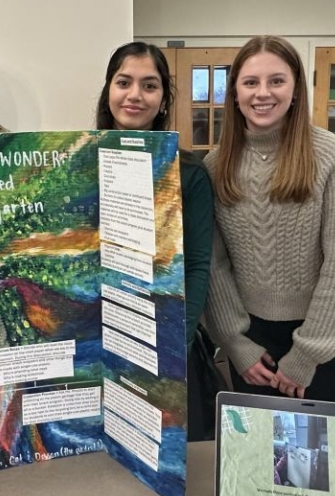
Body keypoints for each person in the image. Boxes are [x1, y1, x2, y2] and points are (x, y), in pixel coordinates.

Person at [203, 35, 335, 404]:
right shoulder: (216, 166)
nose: (263, 93)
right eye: (250, 82)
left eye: (276, 81)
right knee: (259, 453)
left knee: (319, 453)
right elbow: (214, 265)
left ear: (296, 89)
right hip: (250, 343)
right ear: (235, 93)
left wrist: (308, 353)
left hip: (323, 336)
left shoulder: (333, 156)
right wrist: (234, 343)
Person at [94, 42, 216, 440]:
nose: (134, 95)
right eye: (124, 82)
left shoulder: (189, 173)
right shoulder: (79, 163)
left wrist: (173, 341)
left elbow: (197, 265)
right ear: (108, 90)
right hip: (98, 341)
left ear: (163, 98)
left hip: (163, 344)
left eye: (149, 85)